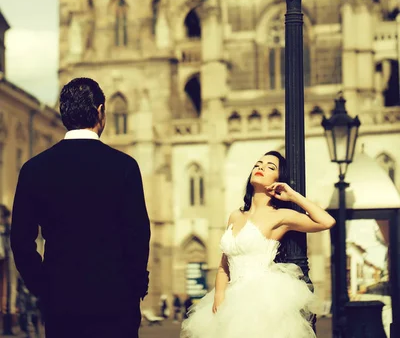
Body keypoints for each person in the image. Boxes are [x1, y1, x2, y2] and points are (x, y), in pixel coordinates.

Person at [11, 77, 151, 338]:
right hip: (116, 301)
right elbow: (138, 236)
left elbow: (20, 241)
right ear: (100, 112)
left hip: (61, 303)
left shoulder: (34, 169)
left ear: (64, 114)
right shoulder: (124, 167)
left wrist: (43, 286)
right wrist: (135, 288)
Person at [180, 151, 335, 338]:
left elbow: (326, 222)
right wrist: (219, 295)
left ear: (278, 179)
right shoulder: (235, 215)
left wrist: (293, 196)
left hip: (262, 299)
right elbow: (224, 265)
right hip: (231, 299)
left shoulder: (279, 216)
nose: (261, 167)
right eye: (258, 164)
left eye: (271, 167)